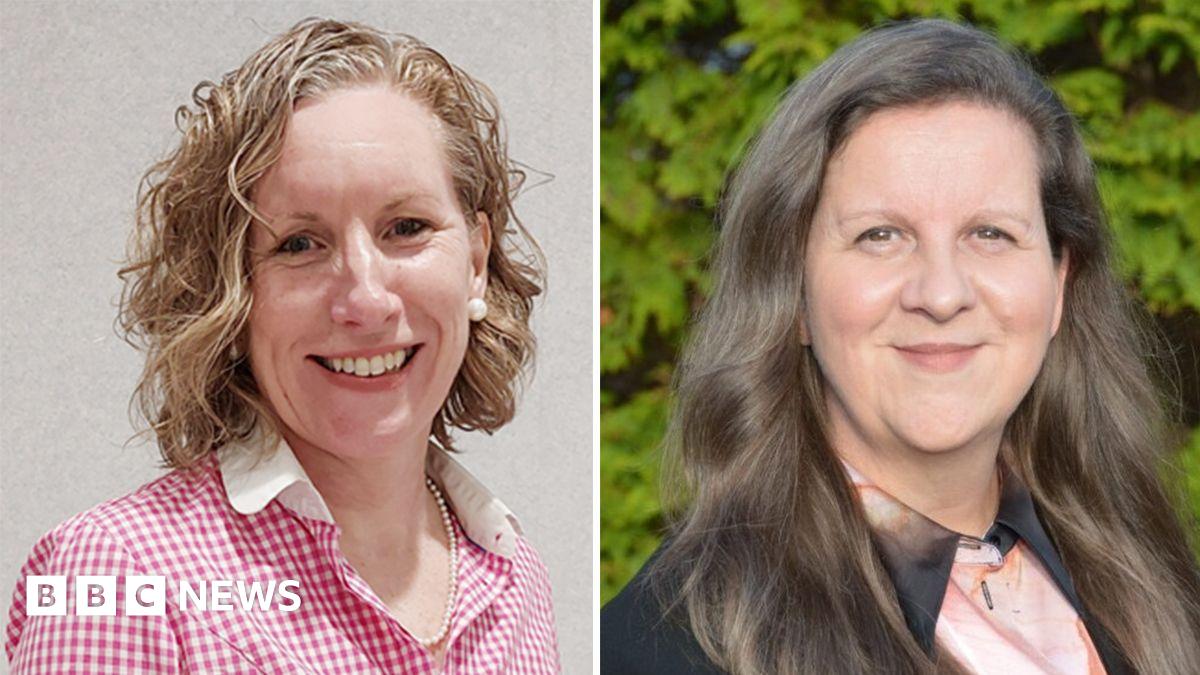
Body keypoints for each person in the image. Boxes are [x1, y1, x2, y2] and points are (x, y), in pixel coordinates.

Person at [601, 18, 1200, 675]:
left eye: (991, 233)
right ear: (793, 292)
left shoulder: (1155, 585)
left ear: (1059, 283)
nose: (941, 295)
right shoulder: (664, 647)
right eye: (881, 235)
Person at [6, 18, 559, 674]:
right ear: (230, 291)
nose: (366, 300)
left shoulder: (514, 575)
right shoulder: (117, 583)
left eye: (405, 227)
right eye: (299, 242)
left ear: (474, 260)